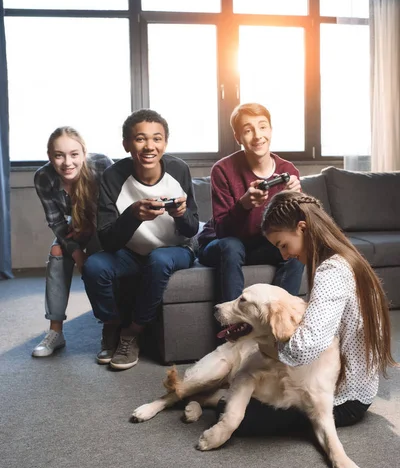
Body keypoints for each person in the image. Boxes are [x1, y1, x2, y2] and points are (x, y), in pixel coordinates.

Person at [219, 190, 398, 435]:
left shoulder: (331, 272)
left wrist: (267, 338)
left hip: (343, 401)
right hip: (361, 388)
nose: (284, 255)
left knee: (235, 410)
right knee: (246, 395)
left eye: (284, 245)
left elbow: (303, 349)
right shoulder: (345, 258)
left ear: (302, 228)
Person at [82, 109, 199, 370]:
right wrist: (133, 215)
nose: (149, 146)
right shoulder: (113, 177)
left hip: (175, 248)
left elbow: (191, 229)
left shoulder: (179, 170)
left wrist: (181, 215)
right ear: (126, 144)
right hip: (130, 253)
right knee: (94, 266)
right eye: (140, 139)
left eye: (157, 139)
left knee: (158, 259)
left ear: (165, 143)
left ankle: (132, 333)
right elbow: (108, 240)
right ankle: (111, 326)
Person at [197, 102, 304, 304]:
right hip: (221, 244)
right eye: (248, 130)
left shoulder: (287, 169)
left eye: (263, 127)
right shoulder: (222, 170)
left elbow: (294, 230)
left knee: (296, 248)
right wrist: (244, 205)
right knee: (232, 245)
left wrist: (294, 201)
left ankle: (277, 322)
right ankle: (234, 328)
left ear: (271, 130)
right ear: (238, 137)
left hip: (262, 244)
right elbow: (221, 231)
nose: (257, 136)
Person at [33, 127, 113, 357]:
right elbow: (56, 223)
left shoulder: (102, 165)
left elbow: (114, 209)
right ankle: (55, 332)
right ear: (50, 156)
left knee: (98, 263)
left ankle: (111, 326)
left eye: (74, 154)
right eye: (59, 155)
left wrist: (91, 234)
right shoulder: (43, 177)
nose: (67, 162)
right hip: (73, 226)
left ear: (84, 153)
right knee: (58, 251)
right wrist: (77, 254)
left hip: (103, 225)